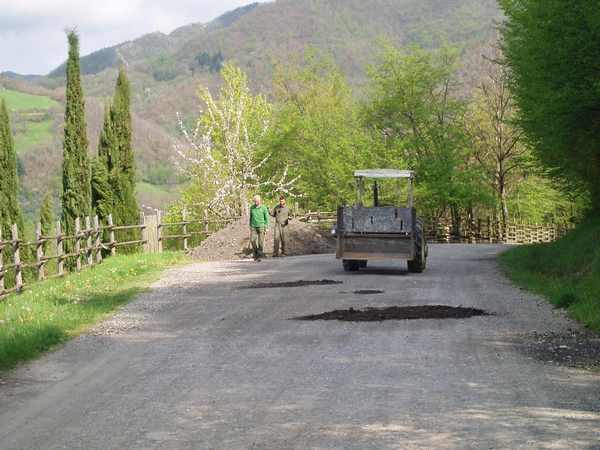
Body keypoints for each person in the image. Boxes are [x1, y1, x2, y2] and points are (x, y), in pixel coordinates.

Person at [249, 194, 269, 261]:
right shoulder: (252, 208)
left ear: (260, 201)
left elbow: (267, 218)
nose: (256, 202)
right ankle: (256, 252)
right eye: (255, 201)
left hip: (261, 226)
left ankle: (259, 255)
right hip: (254, 226)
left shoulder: (264, 208)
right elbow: (251, 217)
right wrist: (250, 225)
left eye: (257, 201)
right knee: (252, 240)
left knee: (260, 242)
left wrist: (267, 226)